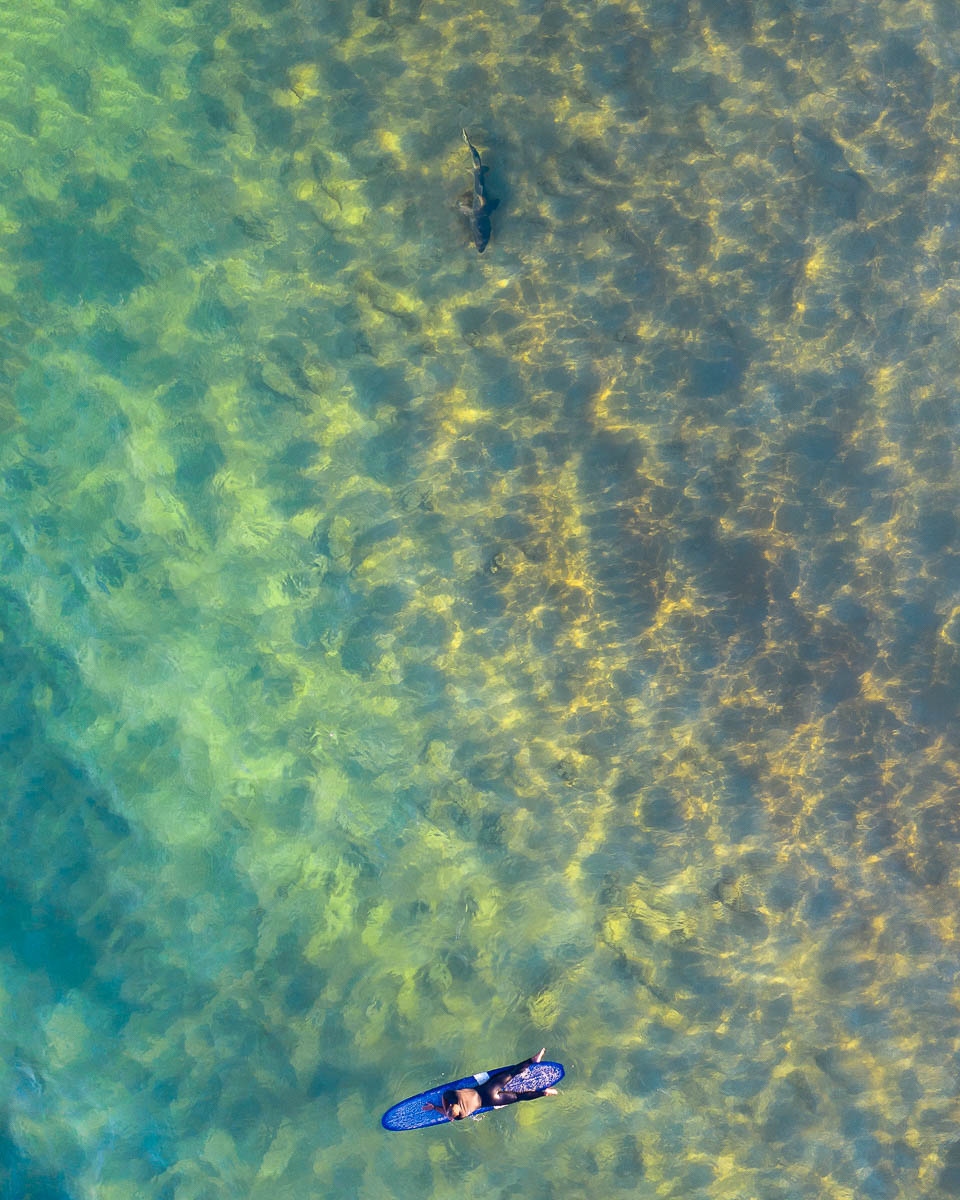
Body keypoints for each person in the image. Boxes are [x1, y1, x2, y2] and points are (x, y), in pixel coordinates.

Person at [422, 1048, 559, 1121]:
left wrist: (435, 1108)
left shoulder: (461, 1115)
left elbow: (447, 1114)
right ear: (452, 1104)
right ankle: (533, 1060)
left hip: (491, 1101)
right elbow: (445, 1101)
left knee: (519, 1097)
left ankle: (544, 1092)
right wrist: (444, 1108)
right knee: (511, 1073)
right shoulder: (452, 1095)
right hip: (487, 1089)